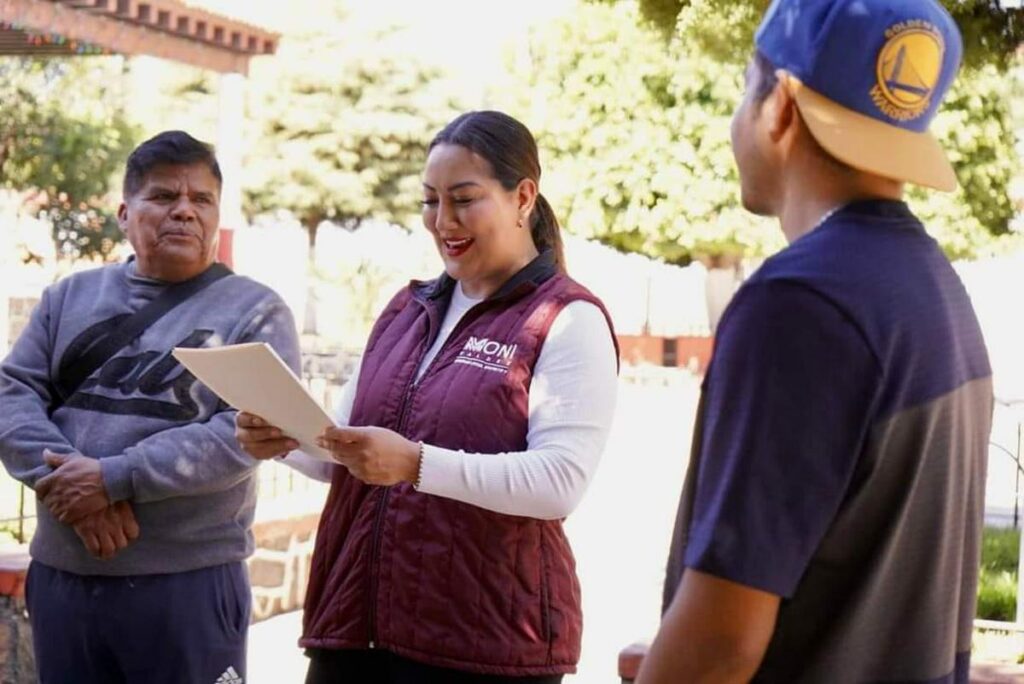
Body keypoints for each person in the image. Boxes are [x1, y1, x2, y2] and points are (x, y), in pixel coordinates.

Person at [637, 1, 992, 682]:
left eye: (747, 88)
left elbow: (720, 642)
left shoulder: (798, 306)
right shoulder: (931, 286)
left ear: (781, 107)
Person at [235, 110, 619, 683]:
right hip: (353, 633)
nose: (443, 221)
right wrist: (284, 440)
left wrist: (414, 464)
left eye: (464, 199)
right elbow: (345, 448)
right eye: (429, 200)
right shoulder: (405, 310)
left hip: (486, 647)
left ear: (523, 197)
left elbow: (559, 483)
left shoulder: (565, 318)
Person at [0, 130, 301, 684]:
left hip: (187, 585)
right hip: (64, 576)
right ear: (124, 212)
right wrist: (81, 491)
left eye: (201, 199)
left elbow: (243, 432)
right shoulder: (69, 297)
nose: (184, 212)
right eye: (163, 197)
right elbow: (11, 392)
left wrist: (116, 478)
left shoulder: (255, 312)